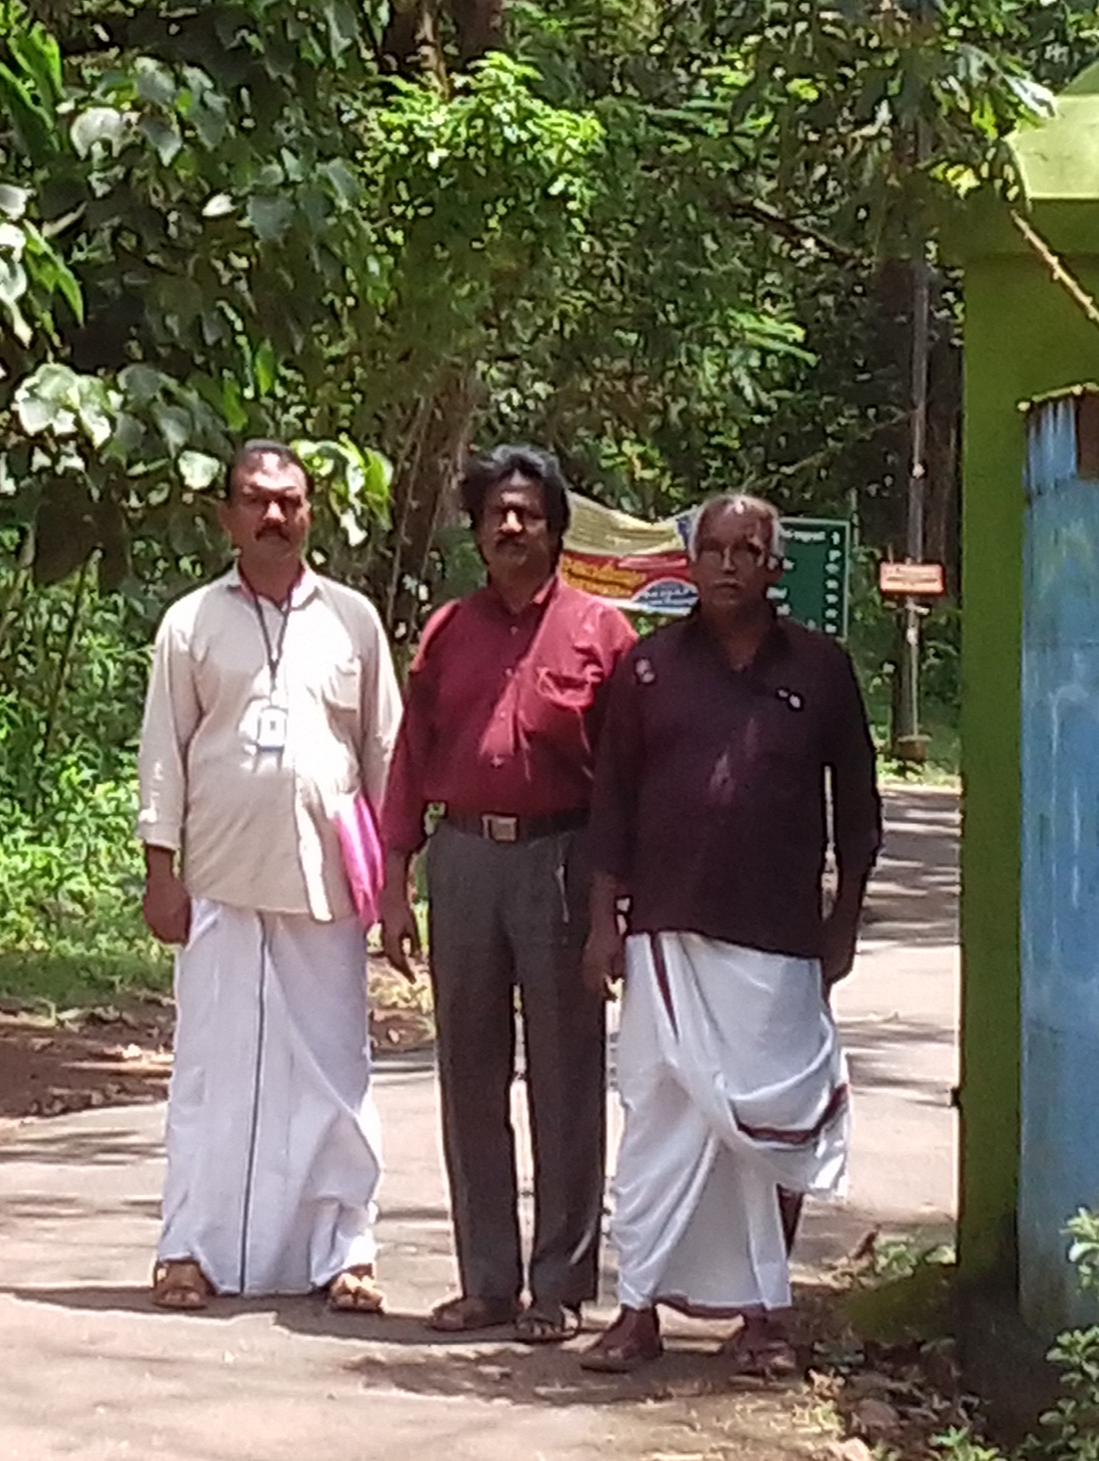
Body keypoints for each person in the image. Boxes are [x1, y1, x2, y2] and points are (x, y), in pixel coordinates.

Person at [577, 491, 881, 1379]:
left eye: (747, 550)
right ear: (691, 561)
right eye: (712, 548)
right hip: (665, 937)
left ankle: (763, 1317)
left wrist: (844, 921)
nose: (727, 564)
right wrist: (601, 924)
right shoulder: (646, 670)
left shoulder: (821, 669)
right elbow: (611, 807)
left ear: (774, 567)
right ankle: (636, 1311)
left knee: (772, 1125)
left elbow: (857, 810)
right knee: (658, 1122)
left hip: (780, 940)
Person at [137, 439, 405, 1314]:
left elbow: (386, 755)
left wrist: (397, 884)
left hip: (327, 888)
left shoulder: (353, 621)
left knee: (334, 1076)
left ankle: (345, 1253)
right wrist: (160, 870)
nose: (274, 515)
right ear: (227, 517)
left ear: (310, 514)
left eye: (289, 500)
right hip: (219, 879)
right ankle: (188, 1248)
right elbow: (163, 752)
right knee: (208, 1073)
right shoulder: (189, 623)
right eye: (256, 500)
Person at [376, 443, 632, 1343]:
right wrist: (394, 882)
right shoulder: (448, 631)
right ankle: (486, 1281)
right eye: (496, 515)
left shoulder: (603, 634)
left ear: (557, 529)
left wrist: (612, 907)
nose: (511, 526)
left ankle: (558, 1286)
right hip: (463, 862)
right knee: (470, 1074)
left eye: (527, 513)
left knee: (566, 1075)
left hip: (561, 859)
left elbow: (624, 781)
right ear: (478, 532)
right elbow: (410, 759)